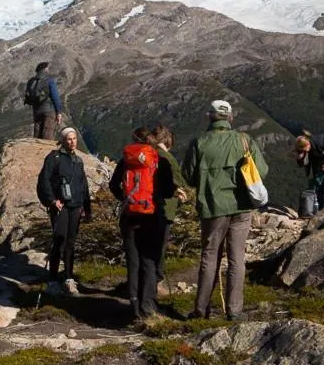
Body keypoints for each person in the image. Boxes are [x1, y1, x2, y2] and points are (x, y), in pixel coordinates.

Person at [181, 100, 268, 321]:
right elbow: (262, 171)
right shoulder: (244, 140)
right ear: (230, 117)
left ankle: (201, 310)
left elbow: (189, 176)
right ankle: (234, 311)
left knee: (210, 257)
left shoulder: (199, 142)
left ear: (210, 116)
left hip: (212, 207)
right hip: (242, 206)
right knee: (237, 258)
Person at [109, 127, 163, 319]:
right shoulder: (157, 159)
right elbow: (168, 187)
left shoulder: (126, 159)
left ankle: (133, 304)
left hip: (129, 215)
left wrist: (125, 199)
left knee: (133, 260)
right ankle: (148, 305)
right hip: (151, 216)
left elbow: (113, 185)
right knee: (148, 261)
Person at [37, 126, 92, 295]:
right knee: (59, 241)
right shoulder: (54, 158)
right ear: (62, 140)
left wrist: (87, 207)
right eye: (69, 139)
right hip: (60, 207)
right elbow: (44, 181)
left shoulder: (78, 160)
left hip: (75, 206)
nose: (72, 141)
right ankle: (53, 280)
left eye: (74, 138)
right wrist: (52, 201)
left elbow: (83, 185)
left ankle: (68, 277)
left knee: (70, 243)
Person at [151, 124, 188, 285]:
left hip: (146, 205)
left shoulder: (148, 154)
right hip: (165, 207)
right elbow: (178, 182)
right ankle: (157, 282)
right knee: (160, 246)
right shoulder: (168, 158)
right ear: (168, 141)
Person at [25, 62, 63, 140]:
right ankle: (47, 151)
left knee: (37, 134)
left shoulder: (31, 81)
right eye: (47, 68)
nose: (48, 69)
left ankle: (35, 150)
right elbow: (55, 97)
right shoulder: (49, 81)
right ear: (45, 70)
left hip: (36, 111)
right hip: (48, 110)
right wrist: (58, 112)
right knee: (47, 134)